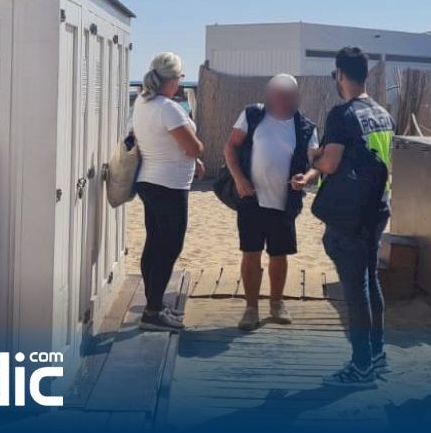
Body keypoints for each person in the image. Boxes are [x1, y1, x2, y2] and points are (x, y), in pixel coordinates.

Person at [311, 47, 395, 388]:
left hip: (351, 216)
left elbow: (330, 164)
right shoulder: (383, 114)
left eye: (336, 75)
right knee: (371, 280)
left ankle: (361, 366)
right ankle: (377, 354)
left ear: (341, 75)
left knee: (356, 289)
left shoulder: (341, 115)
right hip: (379, 209)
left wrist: (313, 156)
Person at [223, 74, 320, 331]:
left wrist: (306, 178)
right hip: (250, 199)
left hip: (285, 203)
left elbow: (317, 165)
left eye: (286, 95)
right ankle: (251, 309)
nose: (280, 100)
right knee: (250, 253)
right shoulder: (252, 116)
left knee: (279, 255)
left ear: (295, 97)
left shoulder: (306, 127)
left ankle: (277, 303)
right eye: (276, 94)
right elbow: (230, 148)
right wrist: (239, 178)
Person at [131, 52, 205, 332]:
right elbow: (193, 147)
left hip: (149, 181)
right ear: (174, 79)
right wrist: (198, 153)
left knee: (154, 243)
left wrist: (193, 159)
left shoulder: (143, 101)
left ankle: (154, 303)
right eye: (180, 78)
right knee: (169, 247)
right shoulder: (168, 108)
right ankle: (152, 312)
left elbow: (164, 141)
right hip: (169, 186)